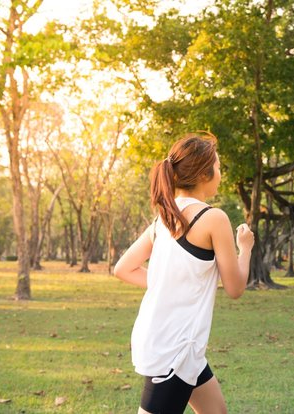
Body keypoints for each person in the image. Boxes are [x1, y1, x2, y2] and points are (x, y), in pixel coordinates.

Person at [114, 132, 254, 414]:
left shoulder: (163, 218)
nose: (220, 173)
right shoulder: (213, 218)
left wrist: (169, 284)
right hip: (173, 350)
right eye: (218, 167)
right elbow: (235, 288)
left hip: (181, 346)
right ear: (204, 173)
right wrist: (246, 247)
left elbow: (123, 268)